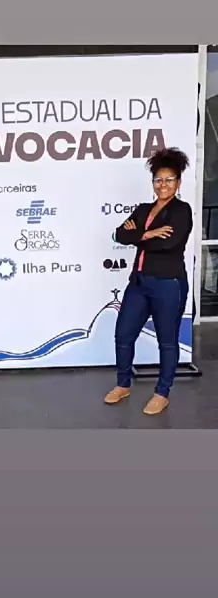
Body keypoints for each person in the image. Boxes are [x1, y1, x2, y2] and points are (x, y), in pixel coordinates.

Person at [104, 147, 193, 415]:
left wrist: (138, 236)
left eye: (169, 180)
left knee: (167, 341)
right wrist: (149, 233)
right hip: (139, 283)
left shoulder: (182, 211)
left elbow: (168, 244)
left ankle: (162, 393)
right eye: (158, 180)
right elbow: (118, 235)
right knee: (123, 334)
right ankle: (123, 384)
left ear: (178, 182)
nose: (163, 185)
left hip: (168, 284)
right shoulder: (143, 210)